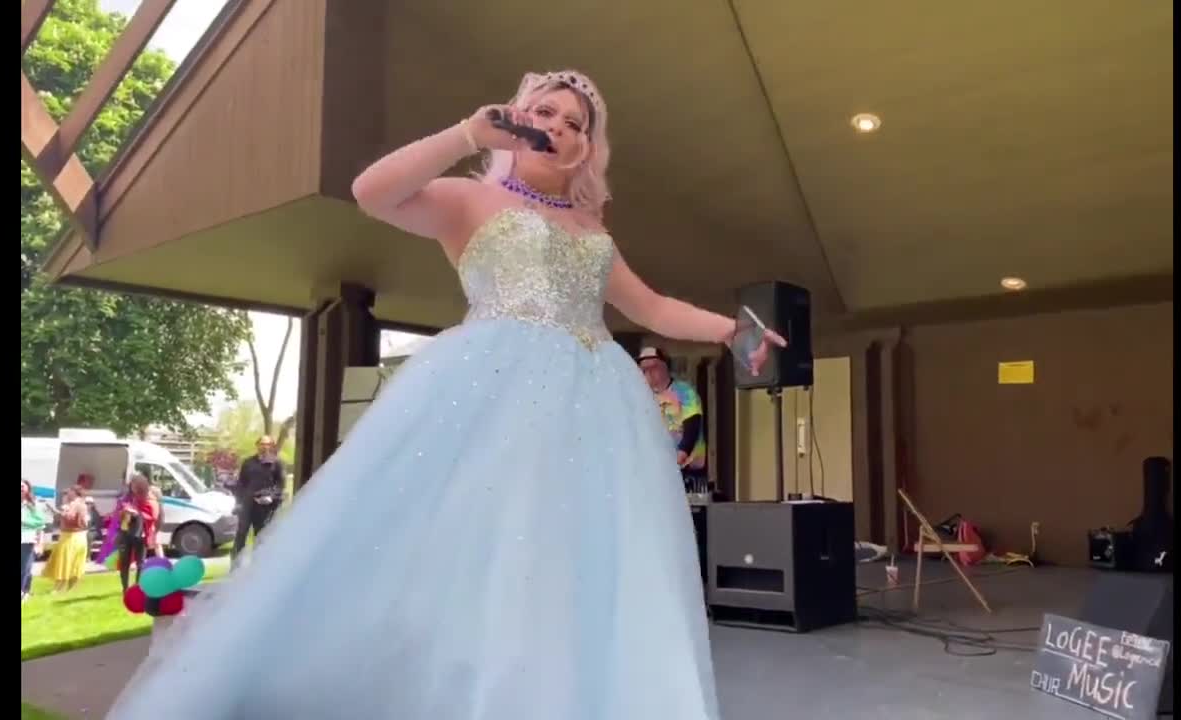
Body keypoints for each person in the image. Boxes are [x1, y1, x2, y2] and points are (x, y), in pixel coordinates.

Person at [105, 69, 784, 720]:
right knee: (491, 560)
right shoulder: (472, 201)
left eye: (575, 123)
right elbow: (373, 192)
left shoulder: (593, 232)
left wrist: (732, 331)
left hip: (597, 407)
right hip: (496, 392)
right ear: (517, 117)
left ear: (586, 148)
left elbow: (656, 308)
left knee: (573, 568)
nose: (558, 127)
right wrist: (467, 134)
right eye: (544, 111)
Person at [637, 346, 709, 495]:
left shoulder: (684, 391)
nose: (648, 373)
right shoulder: (643, 398)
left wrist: (682, 454)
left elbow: (692, 423)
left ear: (665, 367)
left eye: (653, 367)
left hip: (688, 469)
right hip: (660, 470)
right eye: (644, 370)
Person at [229, 435, 286, 569]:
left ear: (272, 446)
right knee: (241, 533)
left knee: (261, 536)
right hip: (247, 503)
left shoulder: (277, 463)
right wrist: (238, 502)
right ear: (257, 445)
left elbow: (281, 485)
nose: (264, 447)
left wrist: (271, 497)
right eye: (262, 444)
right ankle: (236, 566)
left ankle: (259, 567)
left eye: (267, 444)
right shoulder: (248, 462)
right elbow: (241, 483)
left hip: (265, 506)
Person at [114, 474, 160, 593]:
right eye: (133, 484)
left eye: (136, 484)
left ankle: (138, 586)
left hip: (142, 534)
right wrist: (123, 511)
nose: (134, 487)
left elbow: (153, 516)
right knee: (124, 562)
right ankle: (125, 588)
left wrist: (136, 513)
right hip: (126, 533)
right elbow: (118, 513)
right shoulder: (126, 498)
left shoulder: (149, 498)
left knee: (141, 562)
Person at [41, 487, 88, 594]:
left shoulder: (78, 505)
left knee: (68, 562)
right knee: (68, 562)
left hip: (73, 536)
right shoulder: (74, 504)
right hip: (71, 536)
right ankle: (64, 589)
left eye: (69, 492)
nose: (67, 494)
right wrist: (55, 510)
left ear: (75, 493)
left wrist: (58, 512)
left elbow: (74, 520)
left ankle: (62, 588)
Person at [21, 479, 47, 603]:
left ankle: (23, 591)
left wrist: (40, 544)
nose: (21, 488)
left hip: (27, 539)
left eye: (22, 486)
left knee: (25, 568)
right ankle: (25, 591)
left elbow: (40, 526)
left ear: (27, 489)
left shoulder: (33, 505)